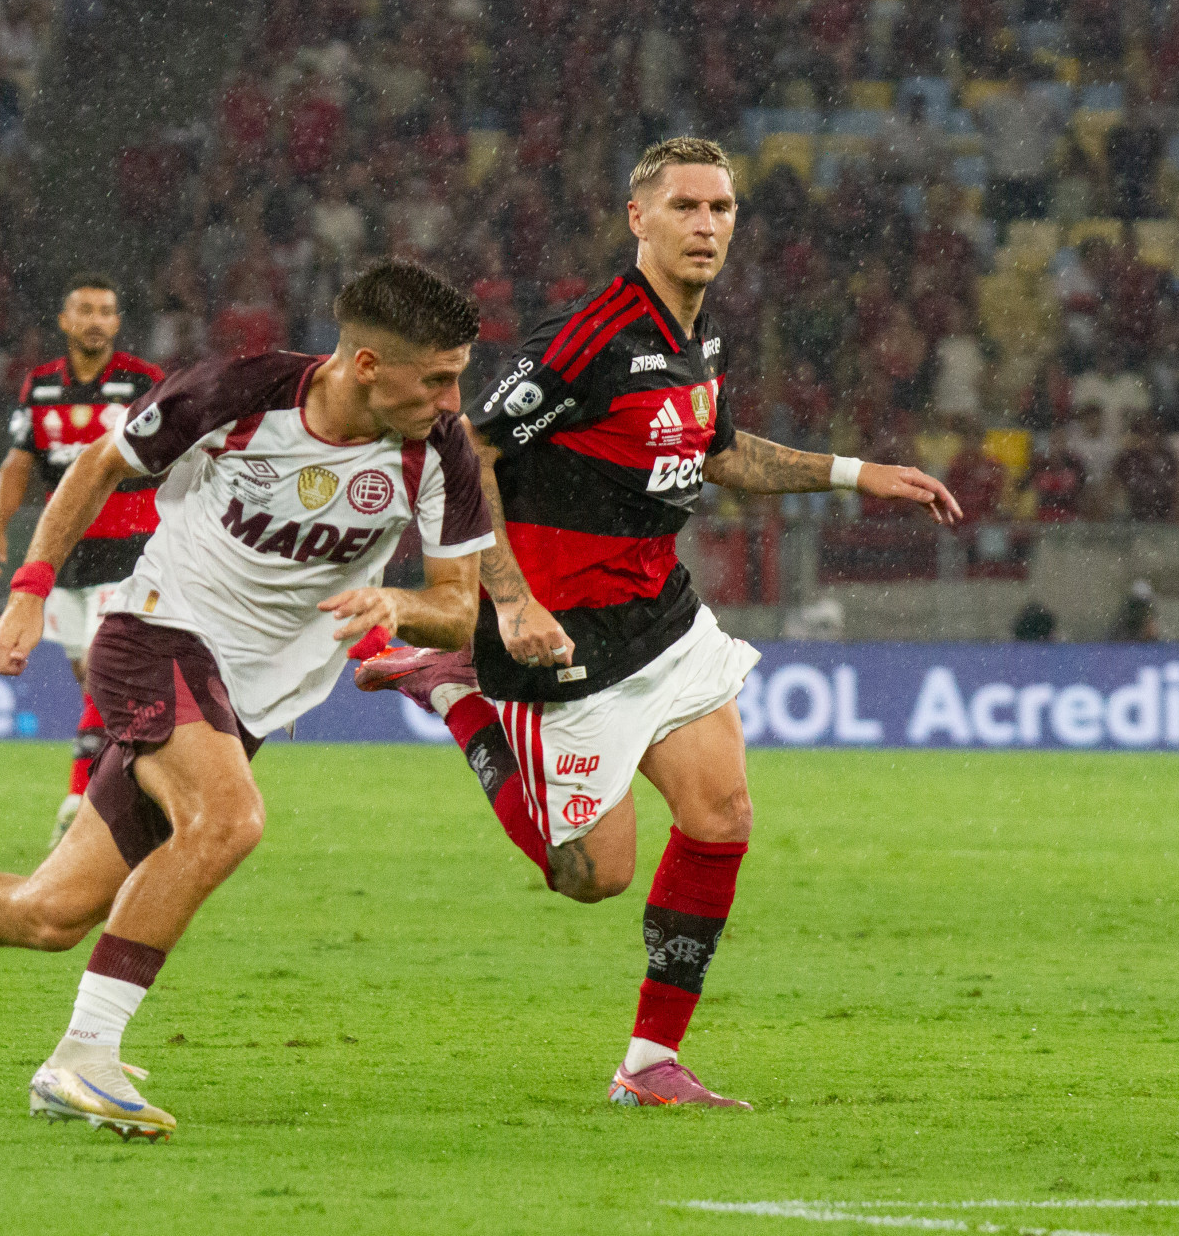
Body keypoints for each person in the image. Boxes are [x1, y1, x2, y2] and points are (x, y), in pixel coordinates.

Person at [0, 259, 495, 1138]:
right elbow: (102, 462)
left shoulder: (440, 450)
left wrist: (398, 604)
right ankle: (82, 1056)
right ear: (367, 364)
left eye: (458, 377)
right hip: (156, 631)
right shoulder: (240, 391)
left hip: (243, 697)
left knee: (49, 912)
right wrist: (31, 586)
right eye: (437, 377)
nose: (452, 398)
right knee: (228, 820)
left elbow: (456, 608)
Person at [355, 139, 960, 1110]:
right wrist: (505, 601)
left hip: (662, 619)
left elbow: (719, 450)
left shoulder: (699, 336)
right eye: (686, 207)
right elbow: (463, 452)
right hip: (561, 636)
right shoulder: (587, 341)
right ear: (638, 219)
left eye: (722, 209)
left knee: (722, 817)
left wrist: (858, 474)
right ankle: (459, 695)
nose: (707, 225)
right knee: (592, 876)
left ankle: (648, 1062)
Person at [0, 275, 167, 846]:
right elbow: (18, 463)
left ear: (116, 323)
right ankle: (125, 785)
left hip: (131, 550)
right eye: (83, 309)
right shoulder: (38, 387)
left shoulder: (142, 382)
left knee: (102, 668)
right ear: (64, 321)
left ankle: (81, 795)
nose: (94, 320)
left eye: (105, 311)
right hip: (65, 555)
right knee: (90, 675)